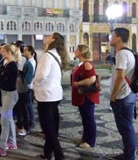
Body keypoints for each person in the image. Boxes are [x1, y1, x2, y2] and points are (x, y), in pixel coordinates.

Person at [33, 32, 69, 160]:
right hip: (54, 94)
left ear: (53, 39)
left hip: (46, 94)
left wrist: (35, 83)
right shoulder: (56, 54)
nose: (46, 36)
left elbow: (41, 75)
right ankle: (47, 153)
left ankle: (59, 155)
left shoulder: (47, 56)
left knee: (48, 128)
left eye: (49, 35)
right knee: (52, 125)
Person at [109, 28, 136, 160]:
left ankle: (129, 156)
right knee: (126, 127)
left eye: (112, 36)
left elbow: (120, 77)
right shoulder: (129, 52)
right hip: (129, 94)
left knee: (126, 128)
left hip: (122, 96)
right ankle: (127, 154)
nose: (110, 38)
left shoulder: (121, 54)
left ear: (118, 38)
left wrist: (113, 94)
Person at [0, 44, 20, 156]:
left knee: (4, 120)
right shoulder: (8, 64)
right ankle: (12, 142)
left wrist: (0, 75)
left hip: (9, 94)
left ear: (8, 53)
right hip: (6, 93)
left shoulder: (11, 65)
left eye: (3, 51)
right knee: (9, 118)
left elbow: (0, 78)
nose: (2, 53)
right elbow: (0, 77)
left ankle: (2, 148)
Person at [71, 45, 100, 148]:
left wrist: (77, 84)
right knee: (85, 117)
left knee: (89, 118)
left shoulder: (87, 64)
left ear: (82, 52)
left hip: (87, 96)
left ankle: (90, 141)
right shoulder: (81, 64)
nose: (75, 51)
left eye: (77, 50)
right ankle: (85, 138)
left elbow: (92, 79)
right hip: (82, 95)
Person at [18, 45, 37, 136]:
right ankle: (28, 122)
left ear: (30, 52)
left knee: (27, 105)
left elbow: (29, 77)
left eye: (25, 50)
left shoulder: (30, 62)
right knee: (26, 105)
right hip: (25, 86)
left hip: (27, 87)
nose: (23, 51)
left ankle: (30, 123)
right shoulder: (27, 61)